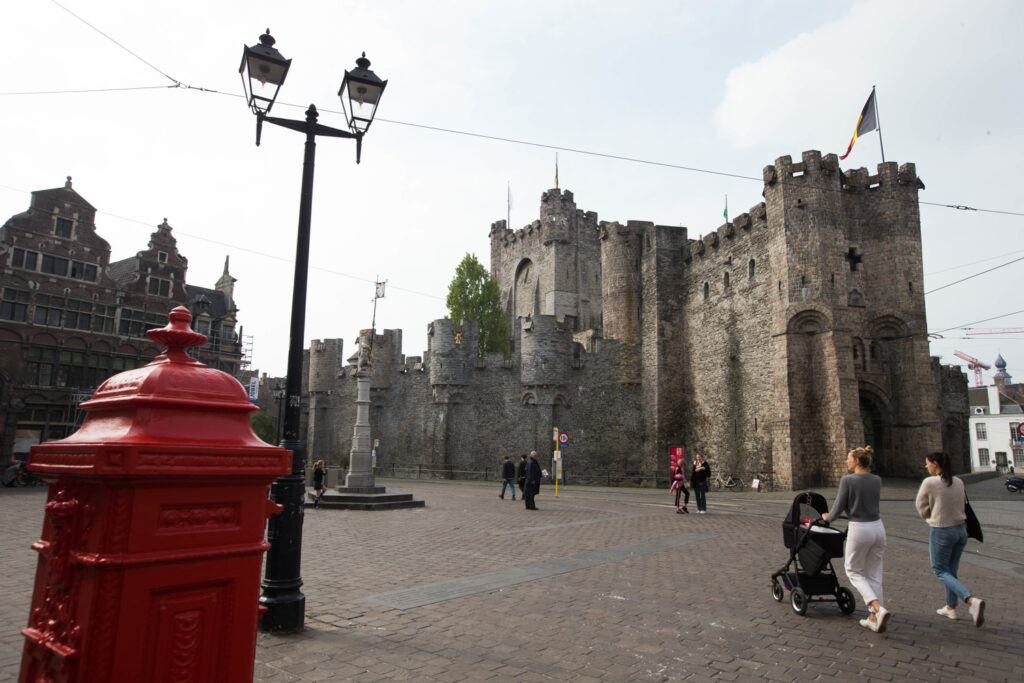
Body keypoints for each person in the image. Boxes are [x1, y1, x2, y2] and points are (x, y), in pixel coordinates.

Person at [822, 445, 890, 633]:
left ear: (857, 461)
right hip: (878, 528)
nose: (846, 461)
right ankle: (874, 618)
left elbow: (837, 507)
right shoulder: (877, 479)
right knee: (874, 573)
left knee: (853, 570)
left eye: (849, 459)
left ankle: (877, 607)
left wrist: (826, 517)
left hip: (860, 529)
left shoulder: (848, 480)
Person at [915, 452, 985, 627]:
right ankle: (950, 607)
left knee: (939, 569)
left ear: (935, 463)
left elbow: (921, 506)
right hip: (961, 530)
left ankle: (970, 600)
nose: (926, 467)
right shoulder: (959, 481)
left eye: (927, 463)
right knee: (951, 571)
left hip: (942, 531)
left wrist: (930, 515)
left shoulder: (929, 482)